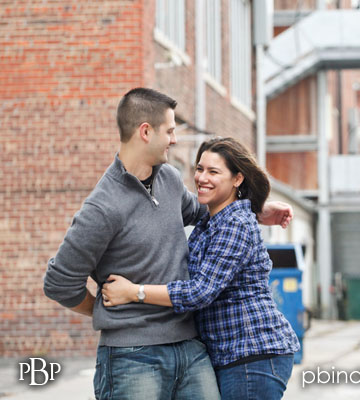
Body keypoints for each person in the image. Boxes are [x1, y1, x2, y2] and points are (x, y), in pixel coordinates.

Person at [43, 88, 293, 400]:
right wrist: (104, 307)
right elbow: (58, 283)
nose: (175, 140)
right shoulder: (102, 208)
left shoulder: (170, 180)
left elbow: (208, 210)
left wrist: (258, 210)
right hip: (133, 355)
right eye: (171, 131)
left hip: (192, 349)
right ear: (146, 132)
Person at [101, 137, 300, 400]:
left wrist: (133, 292)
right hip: (232, 355)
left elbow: (200, 292)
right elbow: (197, 211)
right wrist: (260, 210)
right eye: (199, 168)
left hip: (253, 355)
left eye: (213, 171)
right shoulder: (214, 219)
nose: (202, 178)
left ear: (237, 179)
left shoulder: (235, 224)